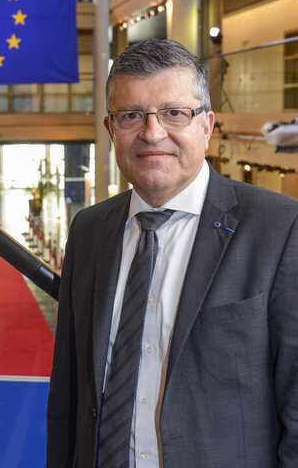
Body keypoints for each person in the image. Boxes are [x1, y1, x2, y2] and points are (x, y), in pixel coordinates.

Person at [46, 39, 298, 468]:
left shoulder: (279, 228)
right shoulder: (89, 230)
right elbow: (69, 395)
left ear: (207, 125)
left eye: (174, 113)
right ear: (110, 130)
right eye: (131, 115)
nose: (151, 132)